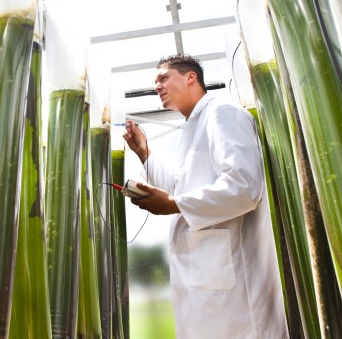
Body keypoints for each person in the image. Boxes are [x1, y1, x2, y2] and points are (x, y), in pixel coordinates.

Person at [123, 54, 288, 338]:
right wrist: (143, 152)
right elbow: (179, 188)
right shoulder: (195, 126)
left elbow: (244, 187)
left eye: (163, 78)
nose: (157, 87)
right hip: (209, 277)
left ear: (191, 77)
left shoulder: (222, 112)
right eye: (155, 83)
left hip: (232, 288)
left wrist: (174, 204)